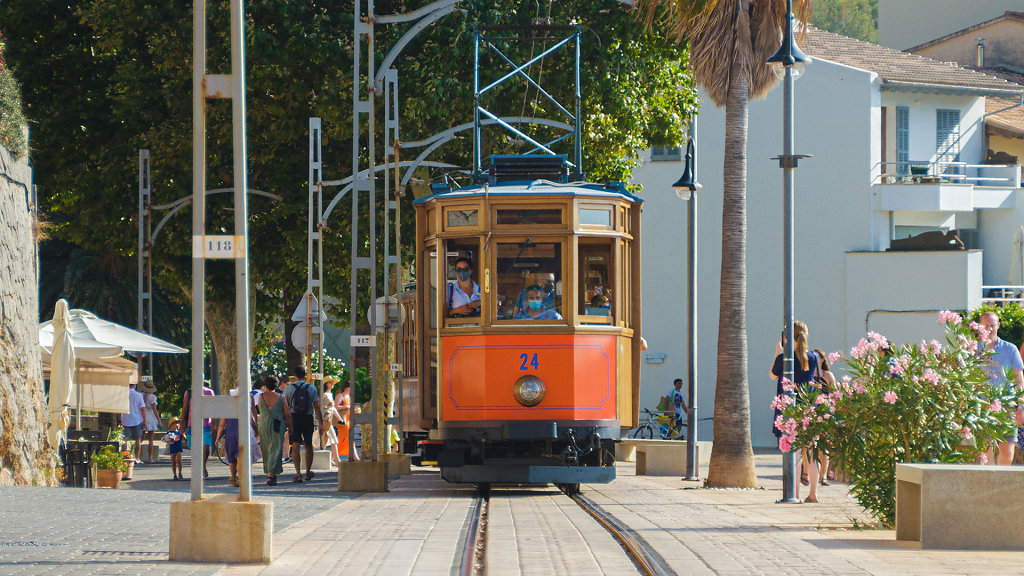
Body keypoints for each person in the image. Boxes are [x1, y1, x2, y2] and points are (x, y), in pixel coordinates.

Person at [769, 320, 819, 502]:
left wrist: (778, 352)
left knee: (795, 454)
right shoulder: (812, 357)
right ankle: (813, 493)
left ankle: (795, 494)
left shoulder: (784, 358)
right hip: (809, 409)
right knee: (812, 454)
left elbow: (772, 375)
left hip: (791, 411)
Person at [977, 311, 1024, 465]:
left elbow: (1019, 379)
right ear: (980, 327)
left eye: (992, 325)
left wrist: (1021, 406)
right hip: (981, 407)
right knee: (985, 451)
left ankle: (1001, 480)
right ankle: (987, 483)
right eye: (986, 326)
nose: (989, 329)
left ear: (998, 325)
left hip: (1006, 407)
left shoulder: (1010, 349)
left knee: (1007, 450)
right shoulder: (974, 350)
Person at [284, 366, 324, 482]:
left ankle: (298, 474)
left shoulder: (289, 389)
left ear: (294, 376)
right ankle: (307, 472)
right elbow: (316, 406)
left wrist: (287, 422)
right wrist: (320, 423)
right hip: (307, 418)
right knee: (308, 445)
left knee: (295, 444)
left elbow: (285, 407)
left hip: (294, 418)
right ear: (305, 375)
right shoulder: (312, 388)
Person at [216, 387, 258, 487]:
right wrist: (256, 430)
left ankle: (233, 478)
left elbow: (222, 424)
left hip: (230, 435)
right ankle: (240, 478)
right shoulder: (245, 406)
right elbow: (252, 420)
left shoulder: (227, 407)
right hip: (242, 434)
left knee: (231, 459)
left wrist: (218, 438)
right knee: (239, 457)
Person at [257, 375, 292, 486]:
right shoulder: (281, 397)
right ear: (276, 385)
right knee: (276, 449)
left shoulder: (260, 397)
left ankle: (269, 472)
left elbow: (260, 409)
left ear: (265, 385)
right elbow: (287, 414)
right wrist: (291, 427)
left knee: (266, 448)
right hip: (277, 425)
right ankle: (271, 475)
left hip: (263, 425)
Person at [811, 348, 837, 486]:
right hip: (811, 412)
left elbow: (835, 393)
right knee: (811, 445)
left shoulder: (828, 375)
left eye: (818, 356)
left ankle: (824, 476)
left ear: (822, 358)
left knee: (824, 446)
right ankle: (811, 474)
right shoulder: (809, 374)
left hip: (825, 412)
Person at [180, 382, 215, 477]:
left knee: (206, 446)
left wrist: (214, 423)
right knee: (194, 448)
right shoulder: (189, 392)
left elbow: (213, 408)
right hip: (192, 424)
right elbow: (185, 409)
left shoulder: (209, 392)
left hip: (206, 423)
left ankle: (203, 465)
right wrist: (182, 424)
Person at [121, 382, 148, 464]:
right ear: (135, 385)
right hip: (136, 419)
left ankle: (124, 457)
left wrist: (119, 419)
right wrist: (144, 420)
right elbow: (142, 409)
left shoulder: (123, 395)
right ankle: (136, 458)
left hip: (125, 418)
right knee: (138, 439)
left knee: (125, 439)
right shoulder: (138, 395)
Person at [321, 376, 343, 466]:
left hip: (329, 418)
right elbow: (319, 407)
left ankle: (328, 460)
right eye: (330, 382)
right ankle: (337, 461)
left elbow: (333, 408)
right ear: (326, 384)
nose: (332, 384)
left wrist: (339, 418)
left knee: (325, 440)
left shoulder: (330, 394)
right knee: (333, 439)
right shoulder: (324, 394)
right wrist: (327, 406)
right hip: (325, 419)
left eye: (332, 382)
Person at [139, 378, 161, 463]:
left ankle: (137, 456)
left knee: (140, 438)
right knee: (151, 439)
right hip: (150, 417)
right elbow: (154, 410)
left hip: (142, 416)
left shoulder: (140, 395)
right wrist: (159, 420)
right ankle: (149, 458)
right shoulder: (152, 397)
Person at [335, 382, 359, 462]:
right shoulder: (340, 395)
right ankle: (355, 456)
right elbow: (336, 407)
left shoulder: (348, 396)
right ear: (346, 387)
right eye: (350, 388)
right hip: (343, 420)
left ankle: (333, 457)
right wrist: (346, 406)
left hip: (348, 420)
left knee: (340, 440)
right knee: (349, 438)